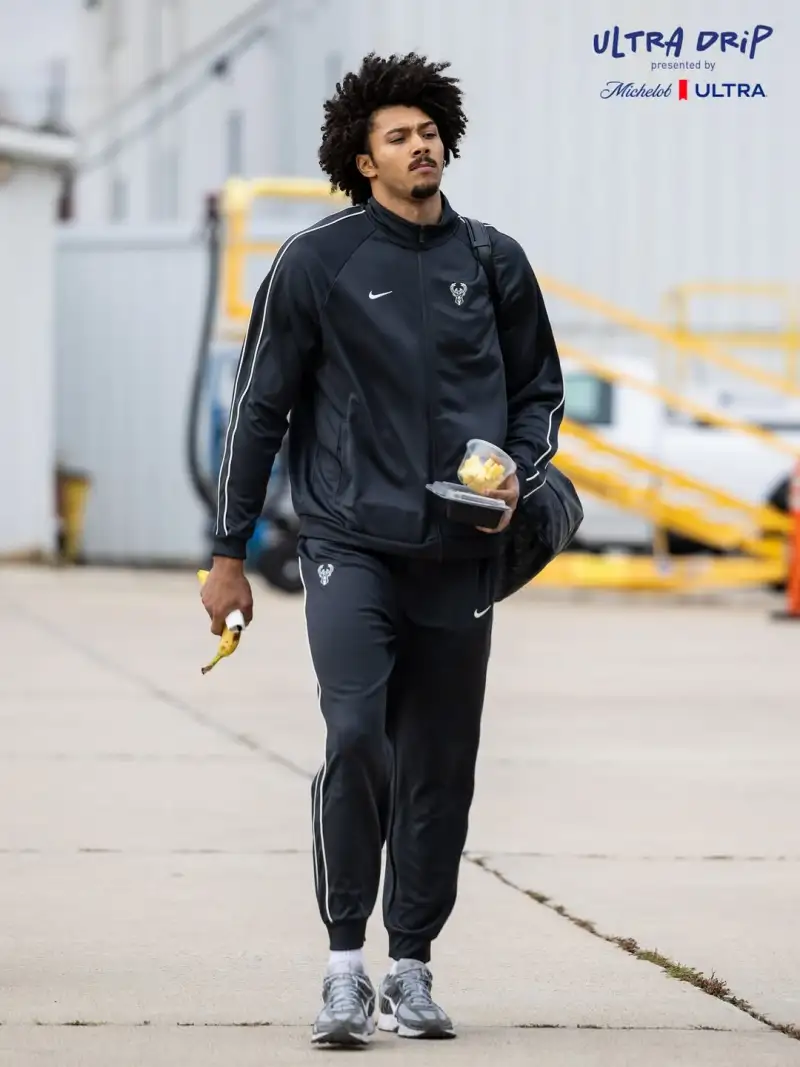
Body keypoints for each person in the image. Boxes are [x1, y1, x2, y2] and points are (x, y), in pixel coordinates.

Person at [200, 51, 565, 1047]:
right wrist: (227, 552)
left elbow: (540, 394)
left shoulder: (492, 260)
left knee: (440, 759)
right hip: (346, 545)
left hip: (461, 555)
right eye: (399, 135)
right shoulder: (318, 263)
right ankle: (341, 967)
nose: (423, 145)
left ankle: (411, 964)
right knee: (357, 738)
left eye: (429, 130)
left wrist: (517, 475)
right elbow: (259, 411)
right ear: (362, 160)